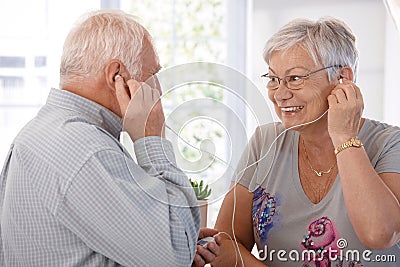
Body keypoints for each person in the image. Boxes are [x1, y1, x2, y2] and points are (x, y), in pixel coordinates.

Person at [0, 9, 220, 266]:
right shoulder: (87, 150)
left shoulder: (40, 132)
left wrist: (160, 247)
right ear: (117, 74)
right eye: (153, 74)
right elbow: (175, 255)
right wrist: (152, 139)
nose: (158, 90)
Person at [212, 17, 400, 267]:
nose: (280, 94)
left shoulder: (390, 143)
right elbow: (223, 243)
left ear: (343, 78)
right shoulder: (264, 141)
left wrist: (344, 136)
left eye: (295, 78)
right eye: (273, 79)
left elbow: (379, 234)